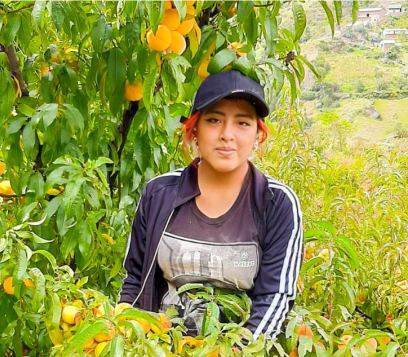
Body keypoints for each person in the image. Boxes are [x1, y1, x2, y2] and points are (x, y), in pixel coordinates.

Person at [118, 70, 303, 341]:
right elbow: (135, 281)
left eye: (242, 123)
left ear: (257, 135)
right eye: (214, 120)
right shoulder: (159, 194)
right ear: (194, 130)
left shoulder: (276, 203)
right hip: (159, 354)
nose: (227, 135)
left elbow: (275, 297)